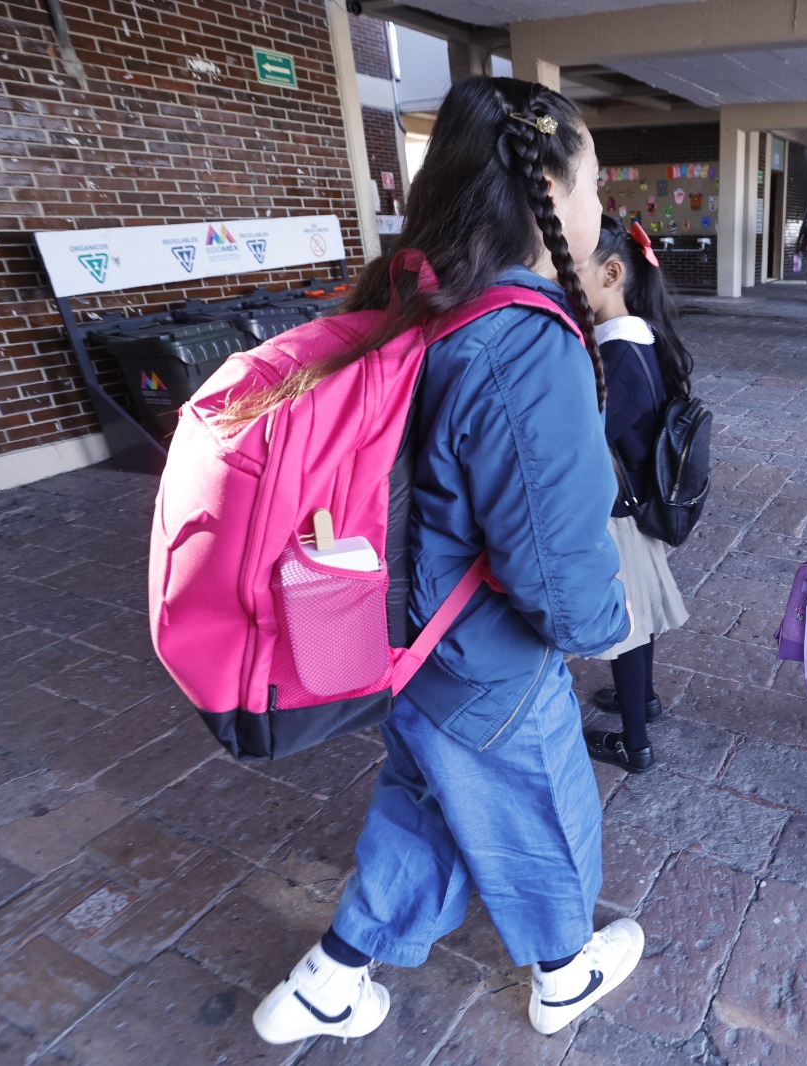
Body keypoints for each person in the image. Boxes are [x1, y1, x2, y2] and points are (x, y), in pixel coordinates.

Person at [251, 76, 644, 1046]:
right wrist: (607, 628)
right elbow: (554, 568)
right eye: (592, 179)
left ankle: (332, 977)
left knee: (428, 807)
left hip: (401, 645)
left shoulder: (410, 294)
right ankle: (563, 972)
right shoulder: (522, 345)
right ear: (546, 187)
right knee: (543, 812)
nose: (599, 204)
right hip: (485, 661)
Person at [578, 216, 693, 772]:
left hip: (618, 513)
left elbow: (587, 440)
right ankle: (641, 700)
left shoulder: (617, 357)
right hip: (637, 503)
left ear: (612, 273)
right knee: (640, 618)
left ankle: (634, 742)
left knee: (623, 625)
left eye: (570, 273)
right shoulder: (638, 338)